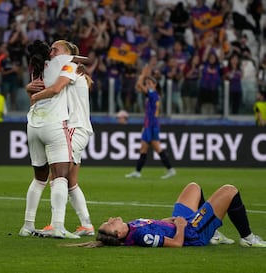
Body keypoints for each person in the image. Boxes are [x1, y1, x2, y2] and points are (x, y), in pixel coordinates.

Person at [21, 41, 95, 237]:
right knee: (70, 181)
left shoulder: (69, 67)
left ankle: (56, 225)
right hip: (76, 127)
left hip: (72, 127)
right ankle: (85, 224)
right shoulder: (64, 68)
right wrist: (29, 88)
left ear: (68, 53)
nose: (51, 52)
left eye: (56, 49)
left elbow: (54, 89)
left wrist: (32, 94)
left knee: (57, 177)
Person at [68, 182, 266, 248]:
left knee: (193, 187)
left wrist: (168, 221)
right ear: (118, 234)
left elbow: (157, 226)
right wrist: (180, 226)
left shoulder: (130, 226)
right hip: (191, 232)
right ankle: (248, 238)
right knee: (229, 191)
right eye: (110, 224)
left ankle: (214, 234)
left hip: (178, 223)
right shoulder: (139, 236)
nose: (112, 219)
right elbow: (176, 244)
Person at [125, 65, 176, 179]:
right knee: (144, 148)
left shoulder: (153, 94)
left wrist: (143, 75)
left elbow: (138, 85)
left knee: (156, 148)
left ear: (154, 85)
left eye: (149, 83)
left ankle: (170, 169)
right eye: (147, 83)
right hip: (149, 125)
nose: (147, 85)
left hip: (152, 126)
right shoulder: (153, 95)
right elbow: (138, 87)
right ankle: (138, 171)